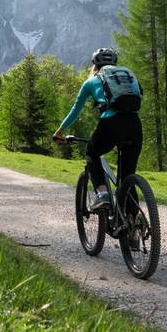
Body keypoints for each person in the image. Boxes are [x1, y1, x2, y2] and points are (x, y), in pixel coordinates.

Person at [52, 48, 142, 225]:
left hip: (110, 124)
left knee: (92, 152)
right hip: (134, 125)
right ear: (114, 64)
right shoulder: (127, 77)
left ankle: (102, 194)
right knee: (127, 177)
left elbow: (75, 110)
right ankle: (133, 225)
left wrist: (59, 131)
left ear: (95, 65)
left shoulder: (92, 81)